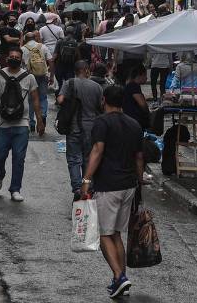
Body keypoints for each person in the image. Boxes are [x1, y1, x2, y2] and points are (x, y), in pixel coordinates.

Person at [80, 85, 144, 298]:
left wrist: (86, 180)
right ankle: (119, 280)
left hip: (109, 185)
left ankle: (120, 276)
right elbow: (139, 157)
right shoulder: (134, 124)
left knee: (105, 233)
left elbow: (97, 150)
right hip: (129, 185)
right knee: (116, 233)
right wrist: (139, 181)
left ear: (103, 100)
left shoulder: (102, 122)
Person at [0, 46, 45, 201]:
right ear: (6, 58)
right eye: (12, 56)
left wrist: (39, 121)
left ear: (22, 59)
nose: (14, 59)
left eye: (17, 57)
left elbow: (36, 99)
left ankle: (15, 189)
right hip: (2, 125)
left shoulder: (29, 77)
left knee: (19, 158)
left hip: (22, 125)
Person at [57, 60, 103, 197]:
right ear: (87, 70)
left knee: (73, 159)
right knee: (88, 159)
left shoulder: (69, 83)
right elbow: (100, 106)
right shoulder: (97, 86)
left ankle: (77, 188)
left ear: (76, 71)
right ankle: (88, 187)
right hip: (91, 128)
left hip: (73, 127)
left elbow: (60, 100)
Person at [21, 31, 54, 133]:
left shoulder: (23, 49)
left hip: (29, 77)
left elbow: (20, 65)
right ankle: (43, 115)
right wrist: (51, 75)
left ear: (26, 39)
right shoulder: (43, 47)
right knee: (43, 97)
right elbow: (51, 61)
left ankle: (31, 123)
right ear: (35, 38)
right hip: (42, 75)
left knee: (30, 100)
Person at [53, 26, 80, 95]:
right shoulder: (75, 42)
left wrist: (52, 65)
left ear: (65, 32)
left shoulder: (60, 41)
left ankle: (59, 99)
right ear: (73, 33)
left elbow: (55, 55)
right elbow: (78, 56)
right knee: (69, 85)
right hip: (70, 67)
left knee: (60, 84)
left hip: (59, 66)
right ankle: (67, 100)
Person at [122, 64, 150, 130]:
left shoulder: (129, 86)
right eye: (145, 75)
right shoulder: (134, 86)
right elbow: (142, 104)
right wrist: (148, 113)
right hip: (135, 120)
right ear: (140, 75)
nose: (146, 78)